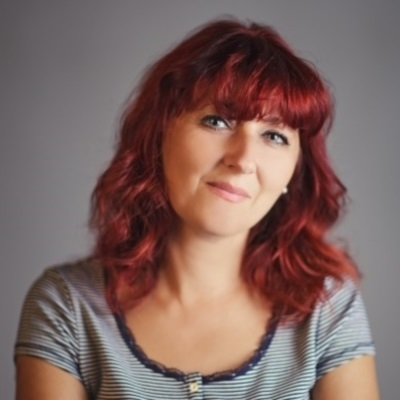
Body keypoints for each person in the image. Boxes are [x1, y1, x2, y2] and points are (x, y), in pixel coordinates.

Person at [14, 19, 380, 399]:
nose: (243, 159)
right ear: (158, 136)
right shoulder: (67, 307)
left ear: (295, 168)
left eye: (274, 135)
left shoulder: (328, 311)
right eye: (217, 120)